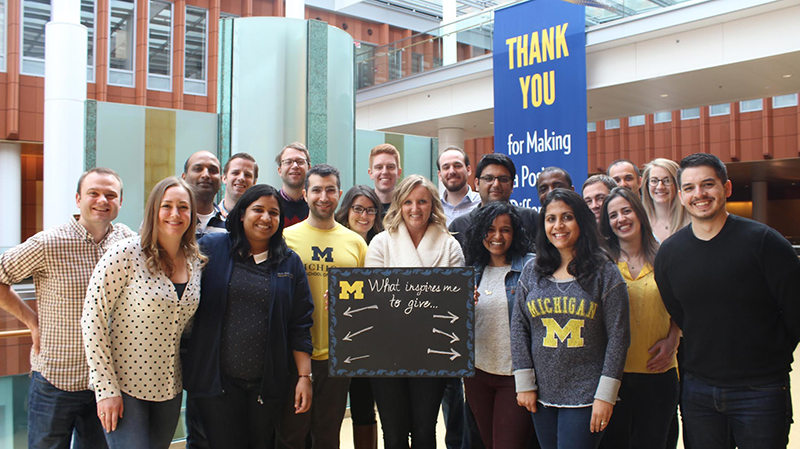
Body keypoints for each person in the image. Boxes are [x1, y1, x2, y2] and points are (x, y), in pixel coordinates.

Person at [655, 153, 800, 449]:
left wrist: (768, 357)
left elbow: (795, 310)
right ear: (681, 196)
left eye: (708, 184)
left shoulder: (765, 243)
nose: (699, 194)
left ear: (727, 188)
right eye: (690, 188)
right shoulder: (669, 254)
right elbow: (681, 313)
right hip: (698, 390)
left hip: (761, 389)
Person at [0, 168, 134, 449]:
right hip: (56, 379)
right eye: (93, 193)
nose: (102, 200)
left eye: (111, 195)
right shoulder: (48, 243)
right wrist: (32, 322)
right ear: (78, 199)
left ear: (120, 202)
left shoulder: (126, 240)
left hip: (106, 384)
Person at [183, 184, 314, 449]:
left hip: (265, 387)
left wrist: (304, 377)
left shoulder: (290, 262)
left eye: (274, 213)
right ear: (242, 213)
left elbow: (300, 324)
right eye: (258, 210)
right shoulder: (211, 248)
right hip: (216, 384)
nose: (266, 218)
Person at [82, 176, 205, 449]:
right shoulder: (125, 254)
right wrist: (106, 390)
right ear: (153, 210)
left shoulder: (195, 262)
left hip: (169, 388)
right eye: (167, 206)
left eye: (183, 207)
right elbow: (92, 319)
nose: (175, 214)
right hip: (124, 388)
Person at [511, 189, 630, 449]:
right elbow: (519, 327)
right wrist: (524, 383)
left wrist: (606, 395)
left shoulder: (605, 271)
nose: (558, 226)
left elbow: (619, 337)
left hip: (587, 395)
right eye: (551, 219)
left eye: (567, 217)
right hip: (541, 394)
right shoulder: (532, 270)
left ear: (581, 222)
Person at [365, 174, 465, 449]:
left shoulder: (449, 245)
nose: (415, 208)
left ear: (432, 205)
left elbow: (454, 301)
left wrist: (465, 298)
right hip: (387, 352)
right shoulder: (381, 243)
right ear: (399, 205)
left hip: (432, 351)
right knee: (393, 433)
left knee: (424, 430)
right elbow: (374, 298)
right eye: (408, 202)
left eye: (422, 201)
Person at [279, 164, 368, 449]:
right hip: (293, 353)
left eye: (330, 190)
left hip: (337, 356)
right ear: (305, 194)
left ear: (339, 195)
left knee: (328, 437)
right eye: (316, 190)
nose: (323, 197)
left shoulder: (356, 243)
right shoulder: (285, 239)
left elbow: (368, 300)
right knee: (290, 436)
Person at [598, 187, 680, 449]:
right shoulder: (601, 264)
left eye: (626, 211)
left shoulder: (666, 257)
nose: (621, 219)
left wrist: (674, 338)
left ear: (640, 214)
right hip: (613, 376)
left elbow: (683, 306)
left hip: (658, 371)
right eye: (613, 215)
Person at [463, 202, 536, 449]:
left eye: (505, 230)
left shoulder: (530, 267)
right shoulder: (471, 270)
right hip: (477, 374)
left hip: (515, 376)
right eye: (490, 229)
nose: (497, 236)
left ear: (515, 233)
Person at [334, 184, 384, 449]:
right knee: (329, 411)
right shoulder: (334, 239)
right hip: (335, 337)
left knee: (364, 407)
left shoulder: (383, 244)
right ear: (347, 209)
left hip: (371, 341)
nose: (364, 216)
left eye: (371, 210)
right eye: (358, 209)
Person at [449, 153, 538, 251]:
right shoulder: (459, 226)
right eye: (488, 179)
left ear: (512, 186)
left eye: (503, 179)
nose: (496, 184)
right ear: (477, 184)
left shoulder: (530, 219)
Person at [641, 158, 689, 242]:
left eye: (667, 181)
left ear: (677, 184)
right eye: (654, 181)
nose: (660, 187)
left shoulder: (692, 221)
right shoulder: (640, 222)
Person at [182, 151, 226, 238]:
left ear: (221, 179)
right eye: (198, 169)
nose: (206, 175)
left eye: (213, 170)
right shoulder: (173, 221)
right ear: (184, 177)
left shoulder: (230, 227)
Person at [438, 146, 480, 226]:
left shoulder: (482, 204)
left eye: (457, 166)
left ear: (468, 170)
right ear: (439, 175)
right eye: (446, 167)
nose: (452, 171)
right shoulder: (433, 207)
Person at [276, 142, 312, 227]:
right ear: (280, 171)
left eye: (300, 162)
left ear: (309, 169)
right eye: (288, 162)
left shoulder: (316, 205)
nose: (295, 166)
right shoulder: (271, 204)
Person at [219, 152, 258, 217]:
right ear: (224, 178)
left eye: (247, 175)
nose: (241, 178)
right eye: (235, 173)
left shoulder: (258, 220)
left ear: (254, 183)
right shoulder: (210, 218)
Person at [368, 144, 403, 215]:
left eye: (390, 167)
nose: (384, 172)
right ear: (371, 173)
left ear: (399, 172)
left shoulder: (406, 206)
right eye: (379, 167)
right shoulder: (362, 207)